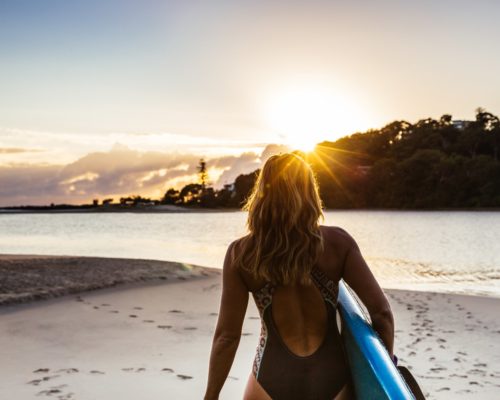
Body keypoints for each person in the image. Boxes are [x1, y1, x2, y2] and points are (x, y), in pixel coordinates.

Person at [204, 152, 395, 400]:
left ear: (262, 194)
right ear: (310, 192)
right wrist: (384, 372)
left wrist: (211, 395)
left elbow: (227, 337)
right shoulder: (338, 243)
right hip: (332, 378)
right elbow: (382, 313)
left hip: (272, 376)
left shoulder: (241, 254)